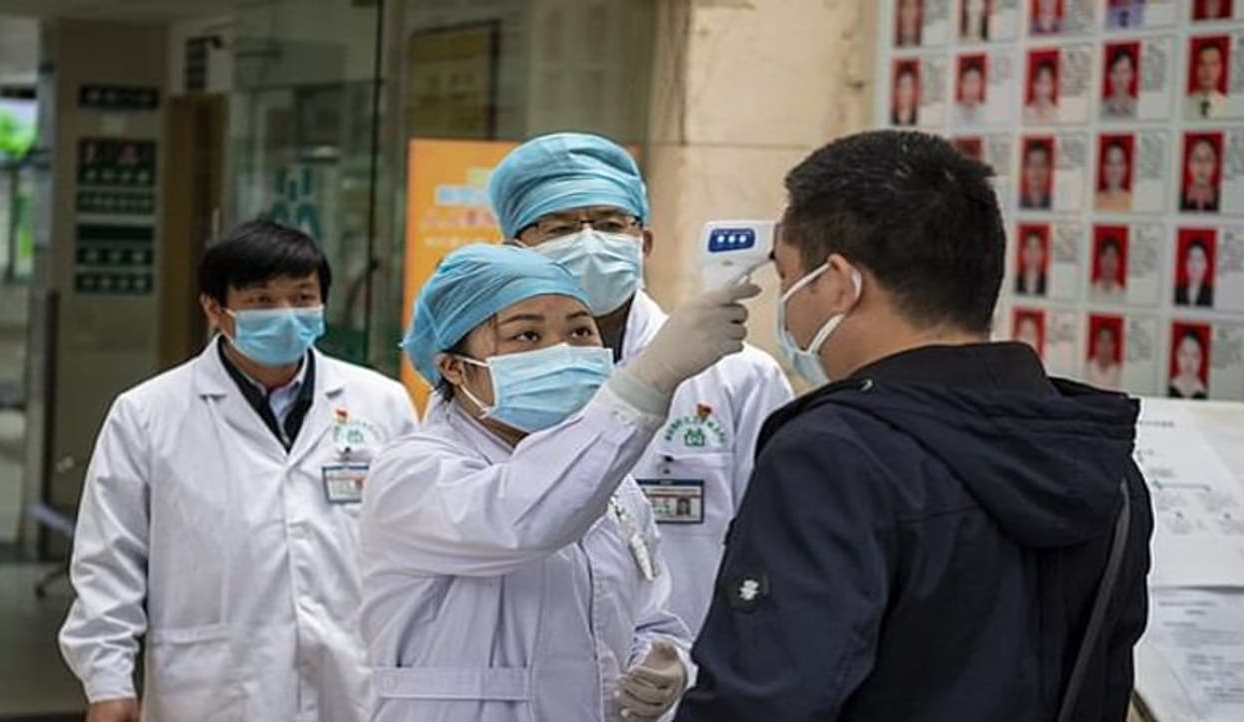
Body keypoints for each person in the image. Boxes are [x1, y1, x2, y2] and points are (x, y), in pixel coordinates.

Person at [674, 130, 1152, 721]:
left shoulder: (831, 458)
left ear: (840, 284)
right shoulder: (1100, 458)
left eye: (789, 277)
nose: (787, 305)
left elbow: (760, 704)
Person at [360, 243, 754, 721]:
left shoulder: (616, 488)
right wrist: (647, 381)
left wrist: (664, 664)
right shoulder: (413, 473)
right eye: (527, 335)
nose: (562, 351)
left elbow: (650, 615)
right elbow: (524, 519)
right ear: (454, 367)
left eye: (580, 330)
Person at [59, 220, 420, 722]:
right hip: (213, 689)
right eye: (261, 301)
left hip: (353, 682)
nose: (286, 314)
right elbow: (109, 560)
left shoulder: (381, 403)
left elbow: (415, 546)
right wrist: (107, 681)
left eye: (302, 297)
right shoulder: (147, 414)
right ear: (215, 309)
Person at [487, 133, 793, 636]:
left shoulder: (738, 376)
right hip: (540, 665)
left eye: (610, 224)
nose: (589, 242)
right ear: (514, 252)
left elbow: (778, 547)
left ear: (643, 242)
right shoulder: (489, 380)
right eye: (560, 227)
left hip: (695, 667)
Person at [1185, 42, 1227, 120]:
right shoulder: (1184, 103)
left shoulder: (1228, 104)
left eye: (1213, 64)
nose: (1207, 70)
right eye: (1202, 64)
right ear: (1196, 68)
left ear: (1220, 69)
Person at [1181, 137, 1220, 212]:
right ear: (1189, 165)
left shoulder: (1222, 198)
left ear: (1215, 165)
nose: (1202, 165)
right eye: (1197, 158)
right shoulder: (1178, 197)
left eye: (1208, 159)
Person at [1168, 330, 1209, 399]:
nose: (1189, 361)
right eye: (1184, 354)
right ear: (1177, 355)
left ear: (1202, 359)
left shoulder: (1206, 392)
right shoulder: (1167, 388)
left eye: (1195, 355)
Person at [1174, 239, 1215, 307]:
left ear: (1206, 265)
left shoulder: (1212, 294)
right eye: (1191, 259)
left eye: (1199, 260)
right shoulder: (1176, 292)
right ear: (1186, 263)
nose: (1194, 265)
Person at [1096, 140, 1134, 212]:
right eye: (1110, 162)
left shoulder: (1132, 201)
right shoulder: (1094, 200)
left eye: (1119, 163)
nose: (1114, 168)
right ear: (1103, 167)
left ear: (1125, 168)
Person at [1102, 48, 1138, 119]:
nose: (1119, 77)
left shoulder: (1138, 108)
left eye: (1124, 71)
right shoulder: (1100, 108)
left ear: (1132, 75)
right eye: (1115, 71)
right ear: (1109, 75)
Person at [1086, 323, 1123, 390]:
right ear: (1096, 344)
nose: (1105, 346)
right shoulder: (1086, 369)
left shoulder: (1120, 372)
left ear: (1114, 346)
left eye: (1109, 342)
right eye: (1102, 341)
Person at [1020, 140, 1053, 210]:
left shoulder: (1055, 203)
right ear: (1025, 170)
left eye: (1042, 164)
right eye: (1033, 164)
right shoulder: (1016, 203)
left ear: (1048, 170)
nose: (1037, 170)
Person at [1025, 59, 1058, 124]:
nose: (1042, 88)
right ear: (1033, 85)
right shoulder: (1024, 113)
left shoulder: (1057, 115)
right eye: (1039, 82)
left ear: (1053, 87)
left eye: (1046, 83)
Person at [1092, 237, 1126, 301]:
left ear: (1118, 262)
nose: (1108, 261)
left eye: (1113, 256)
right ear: (1100, 259)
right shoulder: (1089, 290)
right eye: (1105, 255)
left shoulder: (1123, 295)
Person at [1016, 229, 1048, 296]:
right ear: (1023, 252)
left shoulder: (1048, 282)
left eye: (1036, 248)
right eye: (1029, 247)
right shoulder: (1015, 281)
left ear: (1042, 253)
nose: (1032, 254)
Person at [955, 58, 986, 125]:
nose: (971, 87)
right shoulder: (952, 111)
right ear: (961, 84)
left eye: (975, 82)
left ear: (981, 86)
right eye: (968, 81)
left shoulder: (986, 112)